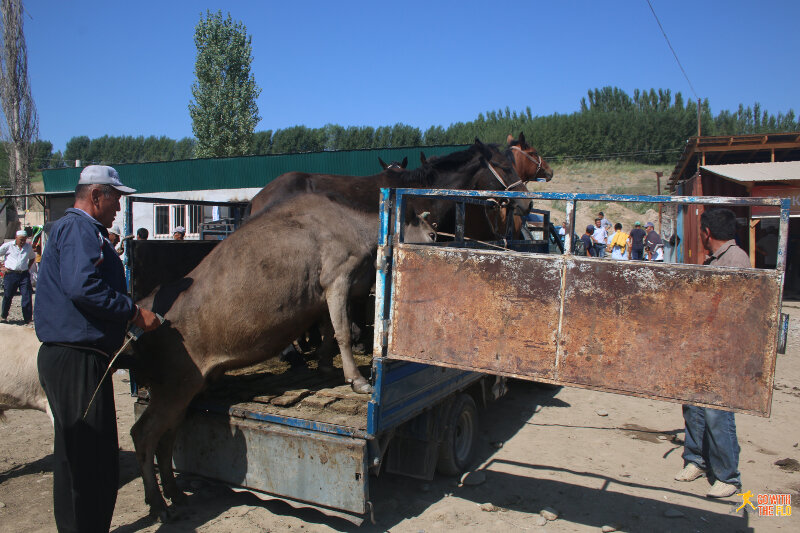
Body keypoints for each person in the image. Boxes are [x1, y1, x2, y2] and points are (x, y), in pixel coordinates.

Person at [34, 165, 160, 533]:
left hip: (75, 357)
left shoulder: (75, 229)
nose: (119, 207)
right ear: (96, 196)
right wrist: (135, 314)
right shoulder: (79, 228)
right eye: (116, 198)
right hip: (76, 358)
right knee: (90, 460)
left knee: (79, 455)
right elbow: (83, 287)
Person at [674, 208, 746, 499]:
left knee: (717, 412)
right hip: (705, 344)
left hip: (723, 347)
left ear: (707, 233)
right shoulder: (716, 259)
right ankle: (696, 460)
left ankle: (729, 476)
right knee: (693, 404)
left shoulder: (736, 259)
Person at [0, 229, 36, 323]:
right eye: (21, 239)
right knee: (8, 296)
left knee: (27, 296)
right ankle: (4, 315)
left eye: (24, 239)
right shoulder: (8, 246)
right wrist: (2, 268)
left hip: (23, 274)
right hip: (11, 274)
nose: (22, 241)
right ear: (16, 238)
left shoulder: (28, 247)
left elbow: (32, 258)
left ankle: (27, 319)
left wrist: (28, 267)